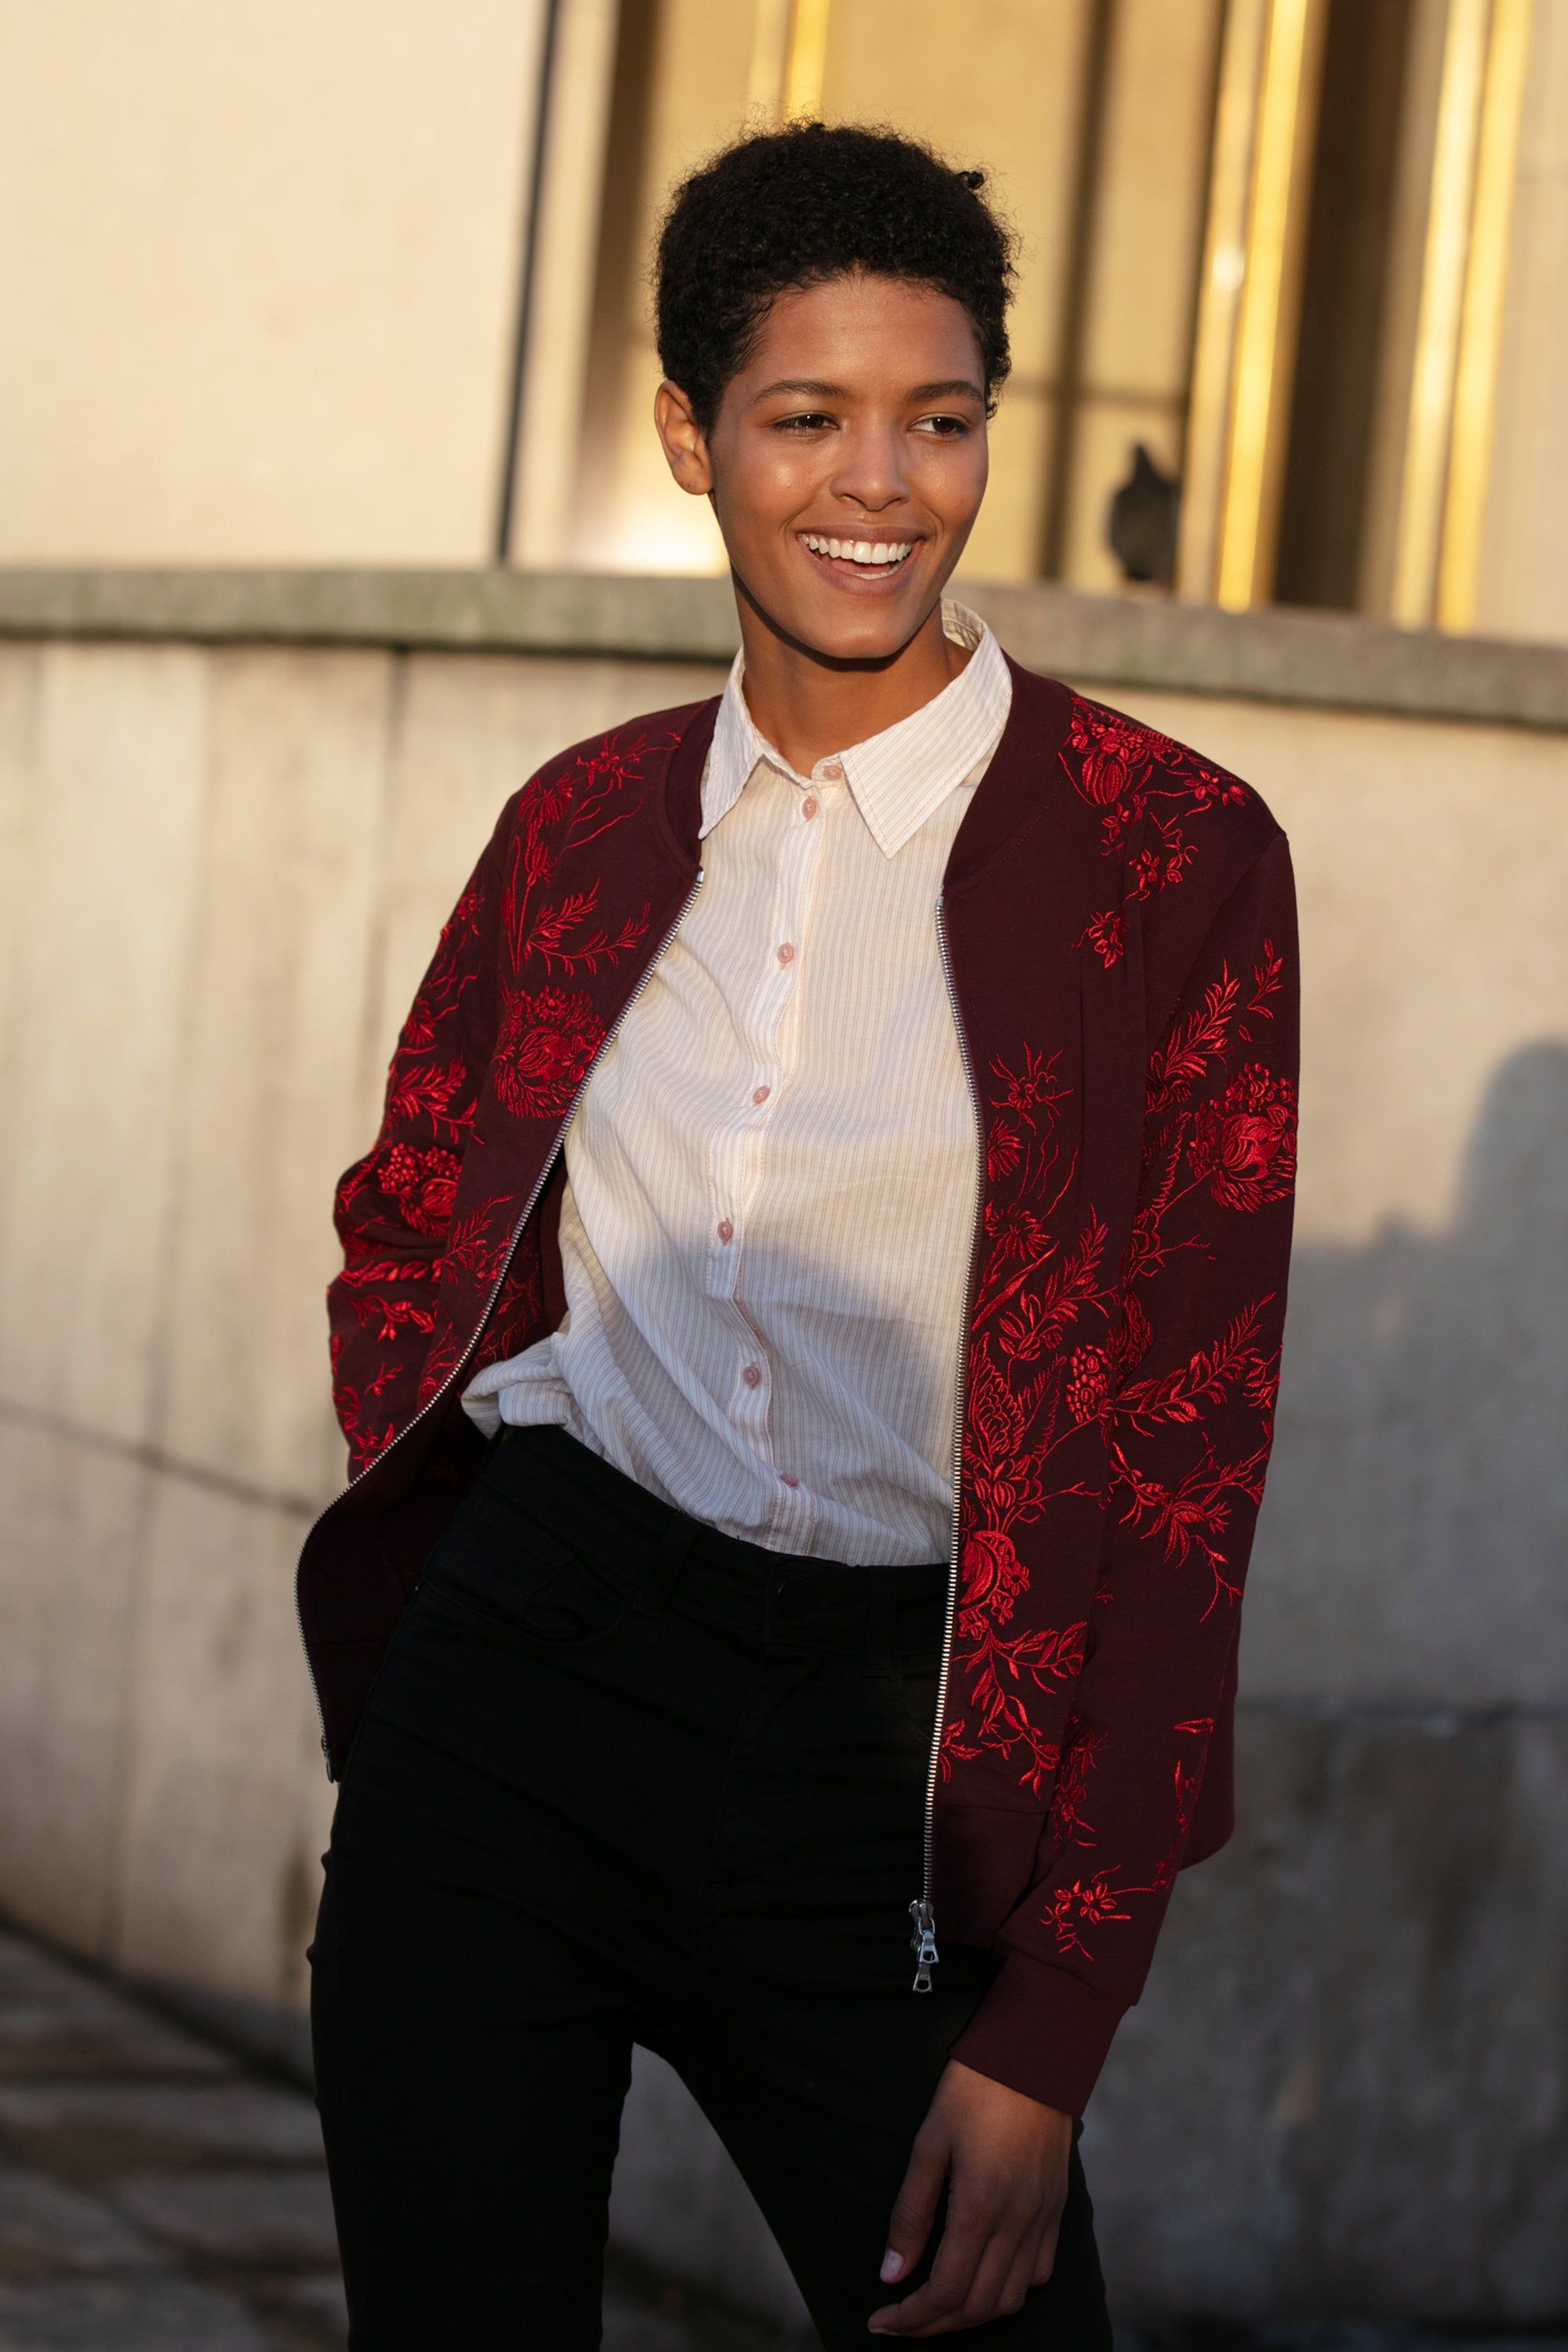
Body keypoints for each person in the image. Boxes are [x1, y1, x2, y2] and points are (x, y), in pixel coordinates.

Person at [303, 122, 1298, 2349]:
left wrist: (1054, 2027)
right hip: (523, 1694)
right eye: (808, 418)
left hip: (890, 1767)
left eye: (939, 420)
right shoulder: (579, 824)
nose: (884, 484)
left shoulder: (1173, 862)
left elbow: (1187, 1459)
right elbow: (413, 1195)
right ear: (690, 435)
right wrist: (444, 1510)